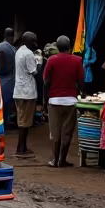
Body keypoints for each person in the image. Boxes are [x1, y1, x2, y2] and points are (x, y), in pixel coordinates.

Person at [42, 35, 84, 167]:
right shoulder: (77, 60)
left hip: (54, 101)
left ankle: (54, 160)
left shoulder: (51, 60)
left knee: (55, 132)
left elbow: (46, 82)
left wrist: (45, 101)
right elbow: (81, 81)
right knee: (67, 132)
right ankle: (62, 160)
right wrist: (82, 94)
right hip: (71, 101)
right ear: (69, 46)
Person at [13, 31, 38, 155]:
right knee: (25, 122)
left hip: (19, 90)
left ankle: (22, 147)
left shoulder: (19, 51)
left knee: (22, 120)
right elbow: (34, 72)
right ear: (27, 41)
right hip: (27, 92)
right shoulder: (28, 54)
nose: (35, 44)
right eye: (33, 41)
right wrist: (39, 62)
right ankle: (21, 148)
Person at [0, 28, 15, 121]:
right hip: (10, 80)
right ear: (11, 36)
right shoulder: (11, 48)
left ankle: (3, 121)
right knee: (7, 104)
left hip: (0, 80)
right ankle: (7, 121)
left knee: (2, 104)